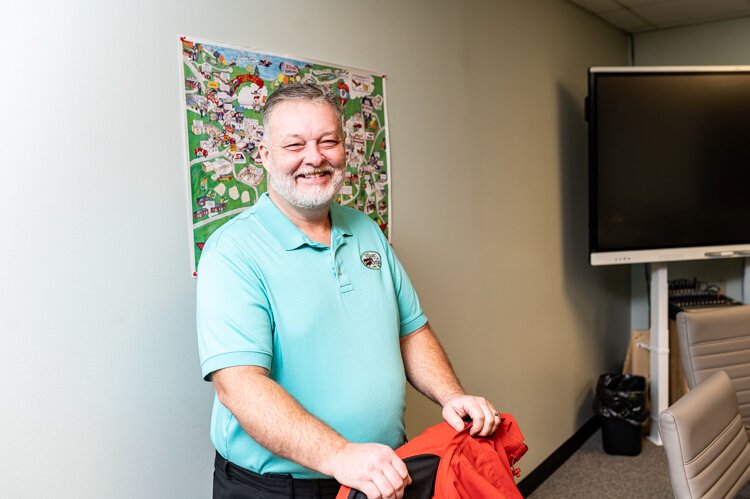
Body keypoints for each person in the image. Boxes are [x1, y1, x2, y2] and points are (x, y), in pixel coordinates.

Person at [196, 83, 500, 499]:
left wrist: (452, 396)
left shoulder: (366, 231)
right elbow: (240, 385)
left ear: (344, 149)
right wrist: (339, 455)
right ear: (265, 155)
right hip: (281, 489)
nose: (314, 158)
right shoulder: (232, 251)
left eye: (327, 142)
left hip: (379, 474)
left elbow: (410, 331)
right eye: (295, 145)